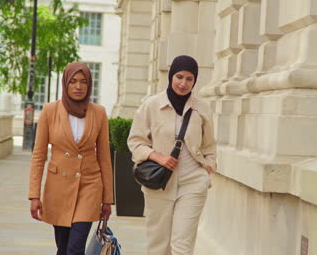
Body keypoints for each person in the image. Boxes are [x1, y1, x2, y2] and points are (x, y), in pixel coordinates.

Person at [128, 55, 217, 255]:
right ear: (171, 76)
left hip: (193, 182)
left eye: (189, 79)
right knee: (158, 247)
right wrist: (157, 157)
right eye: (179, 77)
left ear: (195, 81)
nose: (183, 83)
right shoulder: (151, 105)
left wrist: (207, 170)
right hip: (159, 183)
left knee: (182, 247)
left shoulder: (201, 108)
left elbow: (210, 145)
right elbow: (135, 141)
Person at [28, 62, 113, 255]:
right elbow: (39, 156)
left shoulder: (98, 113)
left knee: (75, 248)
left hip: (89, 186)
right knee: (64, 248)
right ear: (65, 83)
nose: (78, 86)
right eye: (73, 81)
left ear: (90, 85)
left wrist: (108, 198)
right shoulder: (50, 111)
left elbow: (105, 158)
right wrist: (34, 195)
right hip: (59, 188)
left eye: (84, 82)